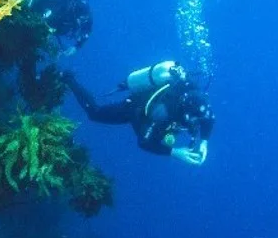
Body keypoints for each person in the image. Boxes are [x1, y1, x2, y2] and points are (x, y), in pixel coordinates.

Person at [62, 61, 214, 166]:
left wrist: (204, 142)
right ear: (184, 110)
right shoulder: (163, 111)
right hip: (135, 108)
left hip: (160, 114)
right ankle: (68, 79)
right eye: (192, 119)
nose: (195, 123)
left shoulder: (199, 104)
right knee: (94, 114)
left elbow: (209, 119)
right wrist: (175, 152)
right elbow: (144, 142)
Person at [28, 0, 92, 55]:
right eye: (80, 19)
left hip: (54, 27)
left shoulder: (86, 15)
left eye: (83, 20)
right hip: (41, 17)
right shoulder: (63, 1)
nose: (81, 22)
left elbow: (87, 31)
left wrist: (76, 47)